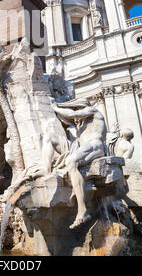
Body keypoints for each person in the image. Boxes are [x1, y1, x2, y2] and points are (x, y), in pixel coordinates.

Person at [42, 97, 106, 229]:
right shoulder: (80, 124)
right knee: (49, 138)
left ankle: (83, 211)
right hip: (78, 147)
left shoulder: (93, 111)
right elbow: (70, 118)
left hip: (94, 145)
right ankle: (46, 172)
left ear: (80, 107)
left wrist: (55, 107)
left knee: (71, 161)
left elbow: (73, 115)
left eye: (75, 109)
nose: (75, 120)